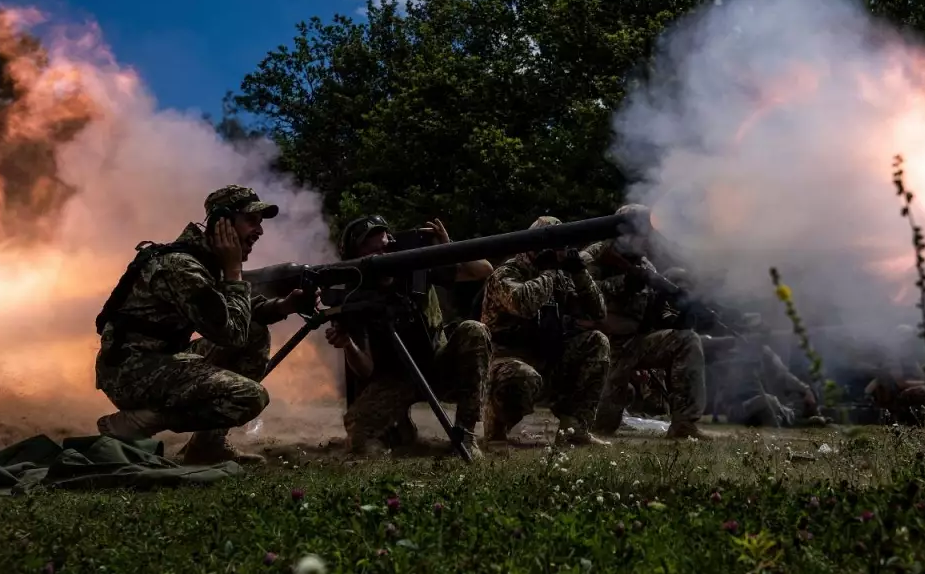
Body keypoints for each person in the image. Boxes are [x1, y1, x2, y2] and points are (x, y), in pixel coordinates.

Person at [93, 185, 312, 465]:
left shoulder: (205, 262)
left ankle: (208, 447)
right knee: (249, 397)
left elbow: (239, 314)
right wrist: (235, 271)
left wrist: (285, 306)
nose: (259, 231)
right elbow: (231, 334)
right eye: (251, 221)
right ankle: (140, 421)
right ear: (222, 222)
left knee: (255, 333)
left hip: (158, 359)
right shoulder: (182, 267)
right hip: (130, 370)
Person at [322, 214, 491, 457]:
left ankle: (464, 436)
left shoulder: (417, 269)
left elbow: (482, 270)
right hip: (396, 378)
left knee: (474, 330)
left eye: (385, 243)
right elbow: (365, 368)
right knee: (360, 438)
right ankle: (400, 428)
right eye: (372, 247)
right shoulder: (354, 298)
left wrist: (449, 245)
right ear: (355, 255)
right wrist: (348, 344)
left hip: (438, 364)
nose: (383, 248)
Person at [581, 204, 712, 441]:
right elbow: (578, 293)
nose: (645, 239)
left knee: (687, 341)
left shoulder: (643, 265)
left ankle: (684, 423)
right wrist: (623, 283)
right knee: (601, 426)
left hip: (633, 343)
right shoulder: (594, 256)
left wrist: (681, 305)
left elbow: (656, 301)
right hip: (597, 347)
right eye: (639, 231)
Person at [481, 216, 611, 446]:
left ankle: (575, 429)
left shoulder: (562, 274)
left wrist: (579, 273)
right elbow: (523, 304)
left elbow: (598, 313)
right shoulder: (508, 272)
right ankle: (496, 430)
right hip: (507, 359)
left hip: (547, 357)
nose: (560, 251)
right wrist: (549, 272)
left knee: (596, 342)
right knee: (521, 376)